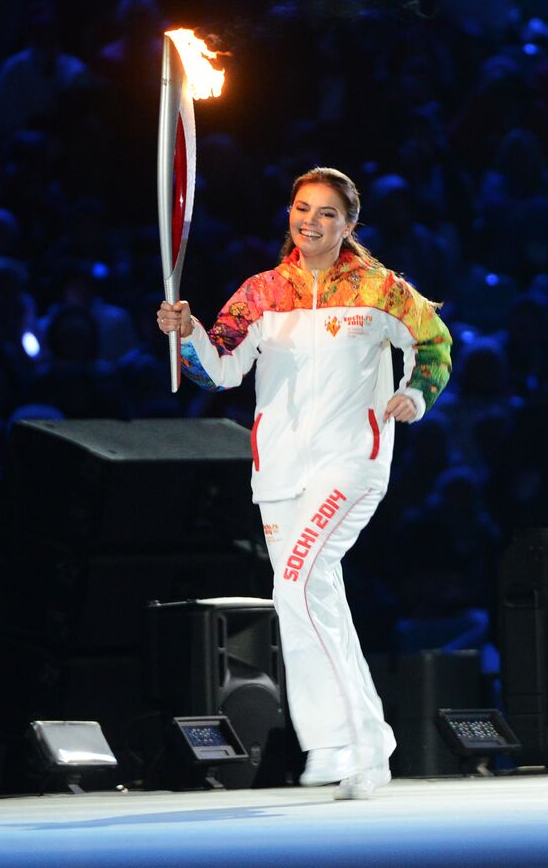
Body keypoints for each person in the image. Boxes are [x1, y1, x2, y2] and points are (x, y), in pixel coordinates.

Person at [156, 167, 453, 798]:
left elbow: (436, 343)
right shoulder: (263, 292)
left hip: (352, 461)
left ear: (348, 226)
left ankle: (336, 740)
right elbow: (221, 371)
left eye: (325, 213)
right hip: (281, 473)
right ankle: (366, 737)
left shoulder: (380, 289)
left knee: (295, 581)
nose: (310, 221)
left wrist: (415, 395)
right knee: (311, 595)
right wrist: (188, 337)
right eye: (301, 208)